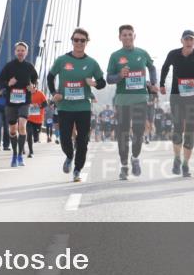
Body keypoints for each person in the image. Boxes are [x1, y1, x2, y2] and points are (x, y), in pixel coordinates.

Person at [47, 28, 106, 182]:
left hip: (83, 107)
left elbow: (102, 82)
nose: (79, 43)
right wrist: (54, 93)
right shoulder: (62, 60)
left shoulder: (91, 63)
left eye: (82, 40)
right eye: (76, 40)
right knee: (65, 138)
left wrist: (94, 83)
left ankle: (77, 170)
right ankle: (69, 155)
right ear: (72, 41)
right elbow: (50, 76)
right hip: (65, 107)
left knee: (83, 140)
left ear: (87, 42)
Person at [106, 24, 158, 180]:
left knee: (139, 131)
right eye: (124, 35)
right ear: (120, 37)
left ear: (134, 36)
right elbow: (109, 78)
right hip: (122, 100)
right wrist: (120, 76)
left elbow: (152, 67)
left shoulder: (142, 53)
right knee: (122, 134)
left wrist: (153, 82)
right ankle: (124, 166)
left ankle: (135, 157)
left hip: (140, 99)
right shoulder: (115, 56)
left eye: (130, 34)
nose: (127, 37)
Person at [159, 30, 194, 178]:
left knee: (190, 132)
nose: (188, 41)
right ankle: (176, 158)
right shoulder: (173, 54)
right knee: (177, 128)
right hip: (176, 95)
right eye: (186, 39)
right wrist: (162, 84)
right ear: (181, 41)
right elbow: (165, 67)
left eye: (191, 39)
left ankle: (186, 165)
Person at [0, 42, 39, 167]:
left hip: (25, 101)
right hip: (11, 102)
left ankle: (20, 155)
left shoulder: (29, 67)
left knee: (22, 126)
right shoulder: (9, 66)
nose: (20, 52)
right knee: (13, 130)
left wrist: (33, 87)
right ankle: (14, 154)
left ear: (26, 52)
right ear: (15, 52)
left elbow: (35, 80)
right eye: (18, 50)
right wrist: (8, 83)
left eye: (23, 50)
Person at [25, 86, 48, 157]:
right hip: (29, 119)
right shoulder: (27, 94)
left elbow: (45, 104)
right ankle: (31, 152)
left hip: (38, 120)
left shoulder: (40, 93)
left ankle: (36, 137)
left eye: (31, 87)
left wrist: (38, 105)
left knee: (35, 138)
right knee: (29, 134)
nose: (30, 89)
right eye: (28, 88)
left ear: (34, 87)